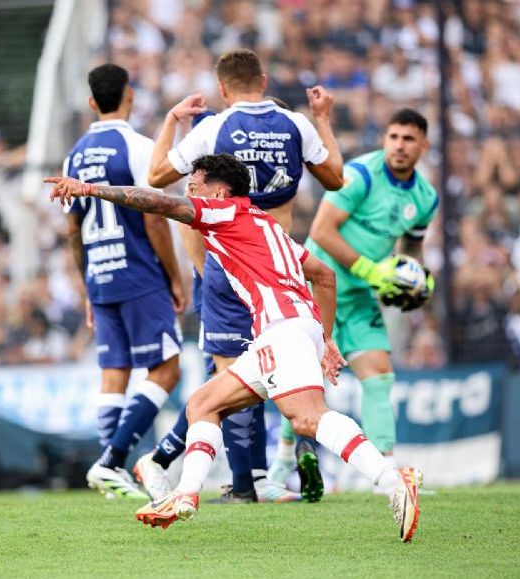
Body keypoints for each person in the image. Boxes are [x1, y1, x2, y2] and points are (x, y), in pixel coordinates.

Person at [44, 153, 423, 542]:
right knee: (203, 404)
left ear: (220, 192)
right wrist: (324, 339)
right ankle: (185, 494)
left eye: (196, 184)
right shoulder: (264, 224)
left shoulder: (223, 213)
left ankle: (393, 480)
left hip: (283, 330)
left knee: (307, 418)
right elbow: (323, 276)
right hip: (287, 331)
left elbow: (160, 203)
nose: (189, 190)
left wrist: (91, 189)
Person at [138, 48, 344, 503]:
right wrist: (323, 117)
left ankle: (244, 480)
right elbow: (334, 177)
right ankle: (286, 456)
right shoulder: (296, 125)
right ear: (264, 81)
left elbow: (156, 177)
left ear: (223, 89)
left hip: (229, 270)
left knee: (229, 377)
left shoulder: (215, 127)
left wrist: (172, 118)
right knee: (285, 368)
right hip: (282, 265)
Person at [270, 108, 438, 485]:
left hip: (361, 296)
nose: (399, 145)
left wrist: (415, 278)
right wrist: (371, 270)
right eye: (394, 137)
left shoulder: (426, 198)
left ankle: (388, 474)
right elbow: (322, 231)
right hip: (319, 286)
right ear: (385, 139)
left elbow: (411, 247)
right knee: (304, 380)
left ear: (423, 146)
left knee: (379, 375)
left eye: (409, 139)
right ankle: (282, 460)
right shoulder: (361, 174)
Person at [63, 63, 185, 499]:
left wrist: (87, 289)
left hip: (100, 275)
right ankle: (112, 461)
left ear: (92, 102)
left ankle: (107, 474)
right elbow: (154, 218)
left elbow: (72, 229)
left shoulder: (74, 156)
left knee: (113, 374)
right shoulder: (136, 145)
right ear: (129, 95)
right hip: (138, 273)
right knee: (168, 370)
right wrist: (174, 276)